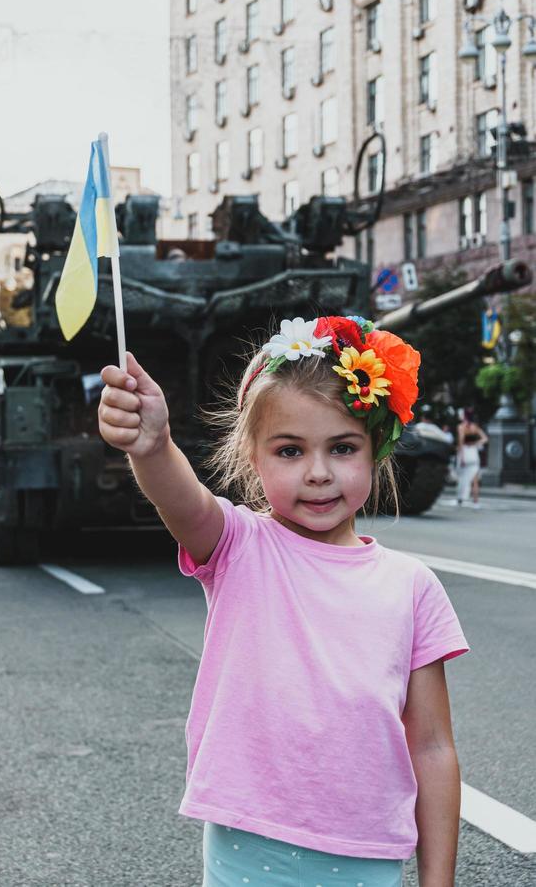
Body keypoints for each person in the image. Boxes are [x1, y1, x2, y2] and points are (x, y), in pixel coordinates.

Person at [98, 314, 470, 887]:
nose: (318, 473)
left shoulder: (412, 585)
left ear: (377, 451)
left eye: (343, 448)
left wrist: (438, 881)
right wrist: (153, 448)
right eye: (290, 451)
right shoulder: (240, 545)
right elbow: (185, 502)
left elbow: (434, 746)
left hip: (367, 852)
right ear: (254, 458)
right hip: (249, 844)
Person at [456, 407, 488, 508]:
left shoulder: (461, 427)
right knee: (475, 479)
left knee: (462, 477)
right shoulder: (475, 427)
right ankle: (476, 501)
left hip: (465, 452)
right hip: (474, 453)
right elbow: (485, 438)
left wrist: (462, 458)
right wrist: (475, 443)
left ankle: (461, 498)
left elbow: (461, 442)